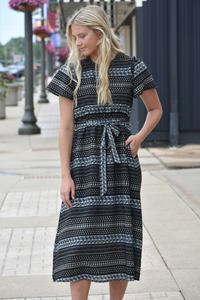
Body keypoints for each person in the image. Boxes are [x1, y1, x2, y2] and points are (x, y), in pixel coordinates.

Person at [46, 5, 162, 300]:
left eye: (82, 36)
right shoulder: (70, 71)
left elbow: (155, 109)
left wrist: (139, 138)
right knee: (77, 242)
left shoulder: (133, 67)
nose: (78, 43)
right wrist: (64, 175)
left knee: (118, 239)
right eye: (74, 38)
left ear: (100, 33)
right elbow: (66, 127)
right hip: (82, 165)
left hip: (120, 163)